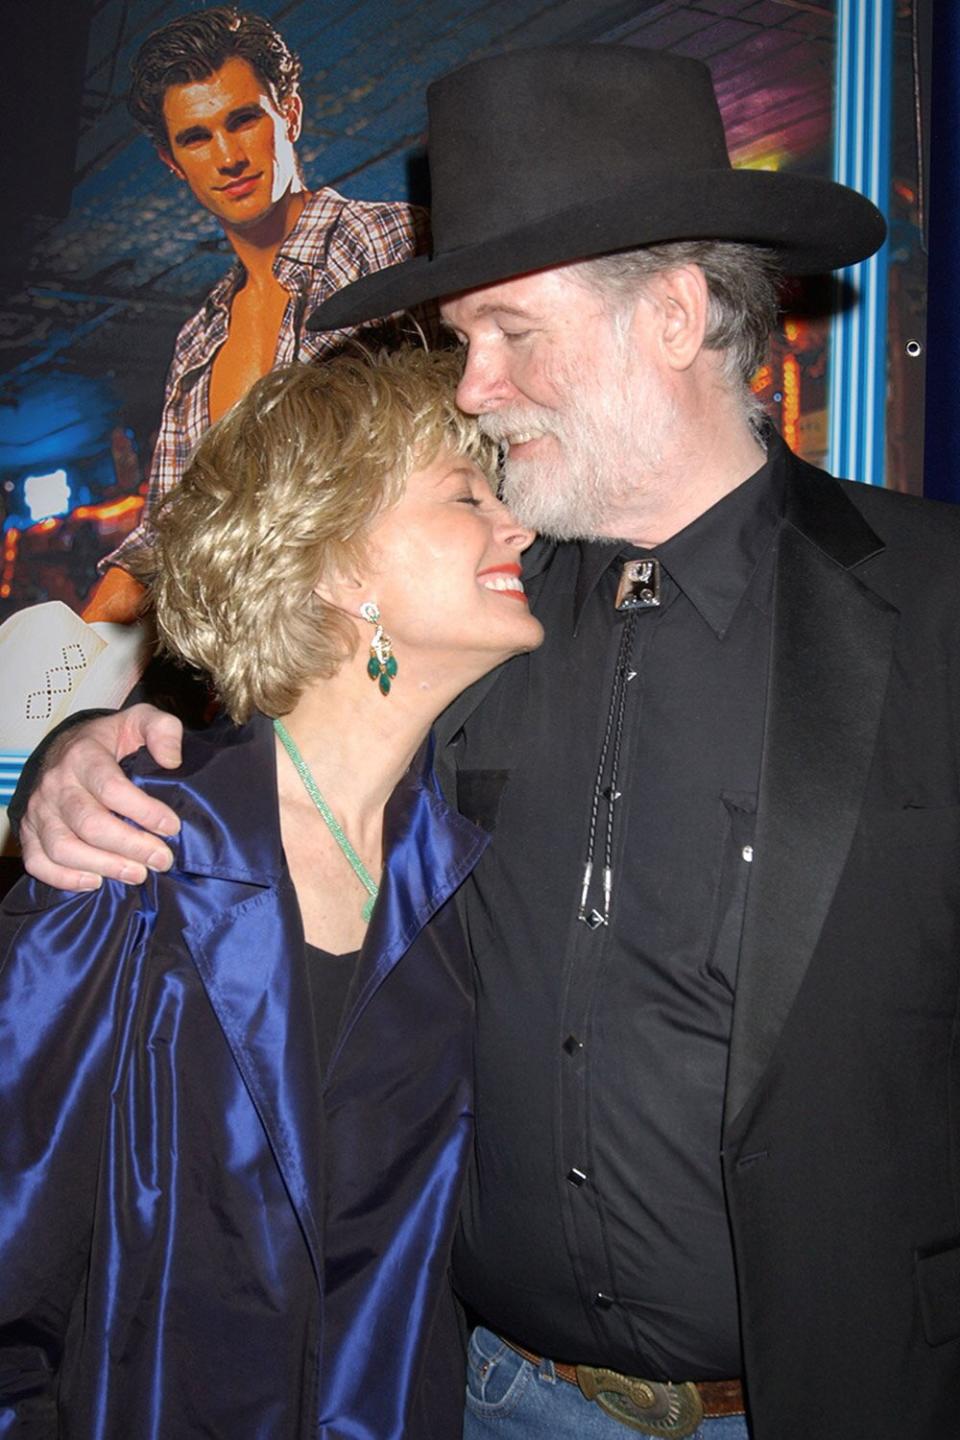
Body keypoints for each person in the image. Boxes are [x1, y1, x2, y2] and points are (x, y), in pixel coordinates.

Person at [12, 42, 960, 1440]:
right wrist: (74, 759)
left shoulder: (935, 605)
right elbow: (267, 725)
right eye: (465, 344)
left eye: (508, 333)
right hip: (482, 1395)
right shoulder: (469, 616)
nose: (474, 386)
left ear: (677, 317)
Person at [0, 348, 542, 1437]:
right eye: (465, 497)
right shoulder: (141, 854)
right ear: (338, 566)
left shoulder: (462, 869)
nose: (517, 524)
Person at [84, 6, 429, 626]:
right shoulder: (198, 340)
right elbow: (169, 533)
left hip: (392, 630)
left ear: (289, 114)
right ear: (172, 161)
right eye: (196, 137)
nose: (226, 157)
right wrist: (63, 676)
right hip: (260, 671)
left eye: (243, 121)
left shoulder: (388, 242)